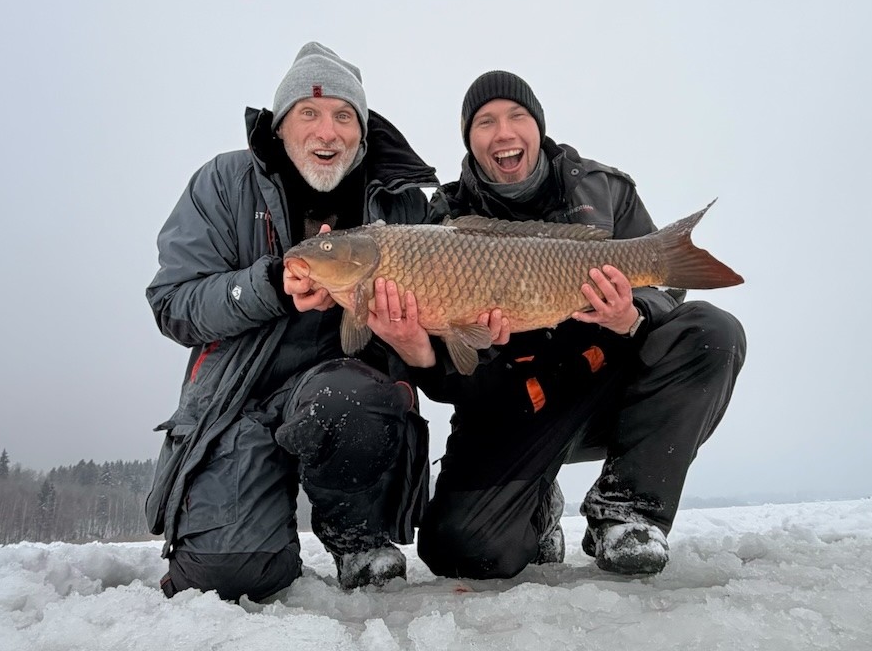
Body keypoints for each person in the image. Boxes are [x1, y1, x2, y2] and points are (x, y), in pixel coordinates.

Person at [373, 70, 747, 579]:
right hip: (510, 406)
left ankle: (627, 512)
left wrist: (630, 315)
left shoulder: (604, 188)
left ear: (538, 127)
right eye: (485, 122)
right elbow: (446, 380)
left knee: (710, 333)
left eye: (516, 116)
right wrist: (454, 347)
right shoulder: (440, 221)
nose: (503, 132)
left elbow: (665, 296)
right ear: (470, 139)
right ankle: (536, 505)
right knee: (460, 552)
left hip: (604, 385)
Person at [144, 42, 441, 602]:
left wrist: (419, 347)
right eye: (309, 112)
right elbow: (173, 303)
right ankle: (252, 532)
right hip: (237, 405)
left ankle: (358, 534)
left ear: (362, 132)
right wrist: (269, 285)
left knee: (354, 396)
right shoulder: (222, 183)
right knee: (232, 577)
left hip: (345, 395)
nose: (326, 132)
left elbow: (447, 331)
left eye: (343, 116)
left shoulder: (404, 207)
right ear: (280, 127)